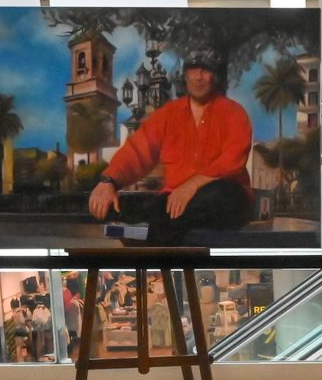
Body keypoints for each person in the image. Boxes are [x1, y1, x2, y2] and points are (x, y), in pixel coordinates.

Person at [87, 50, 254, 246]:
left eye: (205, 70)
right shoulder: (168, 114)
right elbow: (138, 151)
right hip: (173, 202)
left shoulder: (233, 112)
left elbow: (233, 158)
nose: (199, 76)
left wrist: (192, 185)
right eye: (193, 70)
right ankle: (150, 226)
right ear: (185, 75)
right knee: (111, 205)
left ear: (214, 76)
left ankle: (146, 231)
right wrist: (108, 181)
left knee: (225, 193)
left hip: (223, 198)